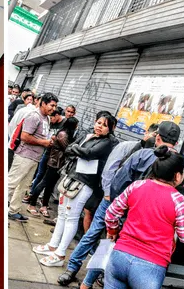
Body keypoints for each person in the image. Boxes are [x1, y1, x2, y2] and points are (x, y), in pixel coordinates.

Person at [57, 123, 159, 287]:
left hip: (130, 207)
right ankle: (72, 268)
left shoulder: (159, 157)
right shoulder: (127, 146)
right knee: (93, 234)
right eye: (153, 133)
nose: (154, 138)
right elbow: (109, 170)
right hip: (111, 199)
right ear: (147, 132)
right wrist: (108, 195)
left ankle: (90, 279)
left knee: (108, 242)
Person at [104, 146, 184, 289]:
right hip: (150, 267)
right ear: (177, 176)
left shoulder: (136, 186)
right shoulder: (180, 201)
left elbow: (111, 213)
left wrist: (113, 231)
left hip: (119, 257)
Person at [32, 113, 116, 267]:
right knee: (63, 213)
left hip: (85, 182)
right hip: (72, 176)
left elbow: (88, 153)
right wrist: (78, 148)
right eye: (98, 122)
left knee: (71, 217)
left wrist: (77, 148)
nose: (99, 126)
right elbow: (68, 148)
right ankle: (53, 245)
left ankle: (60, 253)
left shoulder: (108, 142)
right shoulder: (88, 136)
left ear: (110, 128)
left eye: (104, 125)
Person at [8, 93, 58, 222]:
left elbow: (40, 136)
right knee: (11, 184)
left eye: (55, 106)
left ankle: (13, 210)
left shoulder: (46, 119)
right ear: (43, 103)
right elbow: (25, 136)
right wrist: (44, 143)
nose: (53, 108)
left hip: (34, 158)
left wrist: (48, 140)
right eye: (51, 105)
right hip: (24, 156)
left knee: (23, 186)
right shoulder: (34, 116)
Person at [26, 117, 79, 218]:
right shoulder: (63, 135)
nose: (77, 127)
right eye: (76, 125)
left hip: (59, 164)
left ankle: (44, 206)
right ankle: (31, 204)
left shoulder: (66, 134)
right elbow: (68, 149)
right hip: (54, 163)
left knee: (50, 186)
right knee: (44, 183)